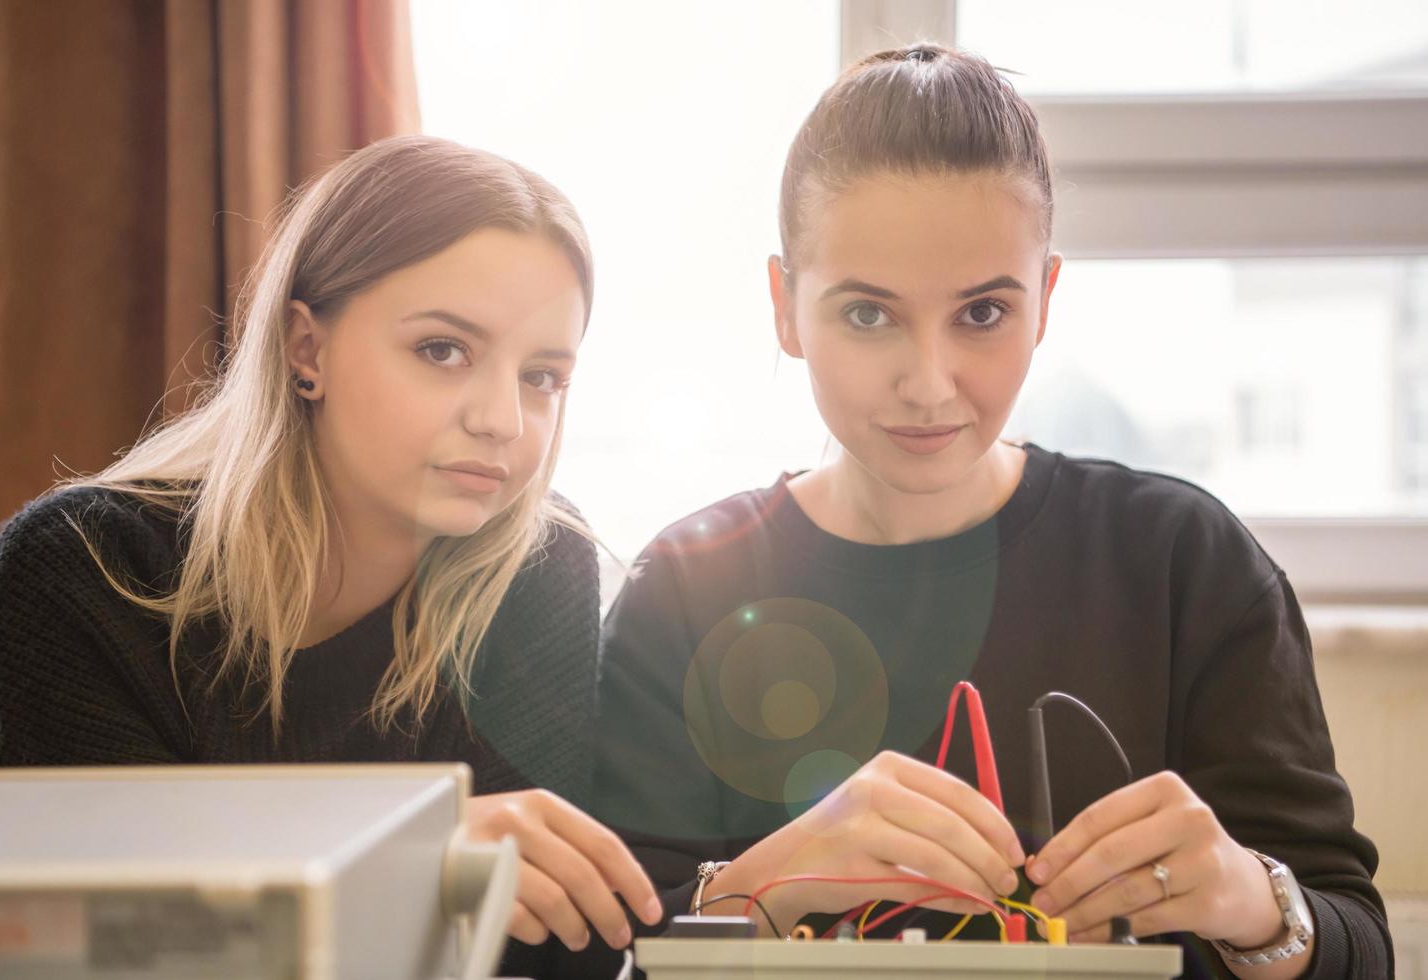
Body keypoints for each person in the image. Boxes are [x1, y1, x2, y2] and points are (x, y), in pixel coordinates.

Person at [593, 45, 1390, 979]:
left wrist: (1249, 900)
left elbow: (1357, 948)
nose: (929, 385)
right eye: (866, 314)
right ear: (784, 306)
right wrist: (765, 885)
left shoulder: (1185, 563)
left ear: (1044, 300)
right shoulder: (686, 587)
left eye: (981, 314)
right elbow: (597, 952)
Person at [0, 134, 661, 977]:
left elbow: (562, 952)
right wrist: (415, 858)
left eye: (543, 376)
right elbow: (82, 945)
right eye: (443, 351)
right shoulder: (86, 565)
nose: (503, 421)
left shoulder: (537, 565)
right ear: (307, 350)